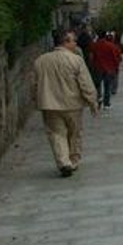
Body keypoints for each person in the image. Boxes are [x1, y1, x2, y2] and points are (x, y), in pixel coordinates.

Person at [35, 29, 99, 177]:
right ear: (65, 42)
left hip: (49, 104)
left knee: (57, 134)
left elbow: (35, 84)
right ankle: (73, 160)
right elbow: (85, 84)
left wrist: (37, 100)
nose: (75, 43)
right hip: (72, 104)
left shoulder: (41, 61)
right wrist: (92, 102)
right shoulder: (75, 60)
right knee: (74, 134)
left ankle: (63, 161)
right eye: (73, 40)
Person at [89, 31, 123, 108]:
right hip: (109, 68)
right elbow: (116, 57)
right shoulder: (111, 46)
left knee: (97, 85)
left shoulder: (95, 45)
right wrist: (116, 67)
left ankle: (98, 97)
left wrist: (92, 66)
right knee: (107, 86)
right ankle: (106, 103)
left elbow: (91, 57)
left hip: (97, 68)